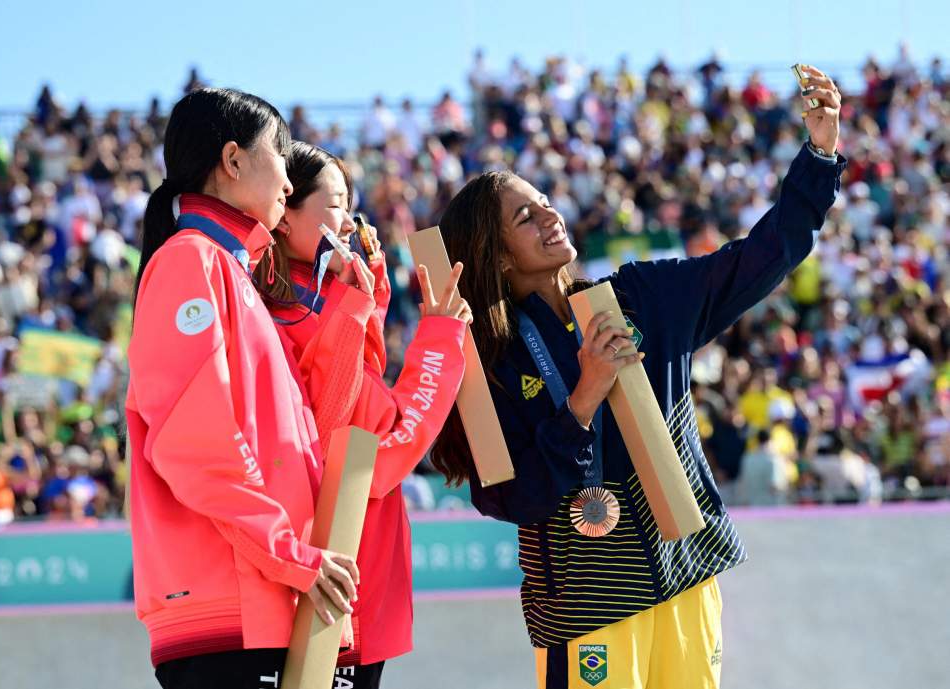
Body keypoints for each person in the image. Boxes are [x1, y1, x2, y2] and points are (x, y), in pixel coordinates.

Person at [431, 66, 845, 689]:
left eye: (544, 201)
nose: (549, 215)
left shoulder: (643, 298)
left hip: (686, 579)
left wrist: (819, 154)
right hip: (586, 611)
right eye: (524, 217)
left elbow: (763, 257)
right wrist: (585, 395)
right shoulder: (485, 365)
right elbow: (508, 498)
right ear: (494, 254)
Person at [125, 89, 358, 689]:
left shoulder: (231, 271)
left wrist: (358, 304)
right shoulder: (191, 261)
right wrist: (288, 553)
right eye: (278, 153)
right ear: (232, 161)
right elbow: (192, 441)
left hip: (267, 595)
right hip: (233, 605)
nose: (287, 177)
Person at [252, 142, 471, 688]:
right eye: (334, 205)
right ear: (284, 217)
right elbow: (369, 452)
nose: (348, 224)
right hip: (335, 572)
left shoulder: (315, 306)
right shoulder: (283, 321)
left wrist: (364, 307)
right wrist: (439, 342)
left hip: (343, 569)